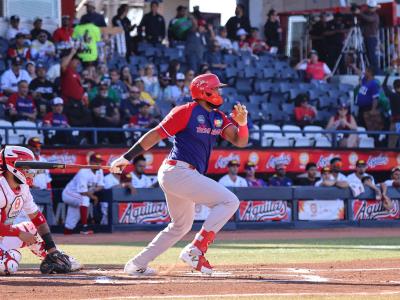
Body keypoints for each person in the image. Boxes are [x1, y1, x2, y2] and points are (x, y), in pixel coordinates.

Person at [109, 73, 248, 275]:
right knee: (229, 201)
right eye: (216, 88)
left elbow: (240, 141)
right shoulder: (185, 111)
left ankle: (136, 264)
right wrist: (127, 157)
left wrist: (242, 124)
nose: (219, 91)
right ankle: (196, 250)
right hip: (177, 170)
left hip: (183, 175)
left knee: (180, 226)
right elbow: (156, 134)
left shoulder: (219, 117)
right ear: (204, 90)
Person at [0, 145, 80, 275]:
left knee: (32, 228)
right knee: (9, 266)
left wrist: (52, 248)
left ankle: (55, 258)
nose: (30, 171)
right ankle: (9, 256)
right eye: (26, 167)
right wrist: (18, 233)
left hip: (4, 237)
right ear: (12, 166)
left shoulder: (23, 188)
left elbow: (37, 218)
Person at [62, 153, 105, 234]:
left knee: (71, 223)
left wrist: (93, 191)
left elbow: (101, 185)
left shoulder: (100, 171)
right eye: (96, 162)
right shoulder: (84, 172)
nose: (99, 164)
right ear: (91, 162)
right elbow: (82, 192)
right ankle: (84, 227)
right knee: (84, 199)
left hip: (78, 196)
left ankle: (67, 234)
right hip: (69, 194)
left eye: (100, 162)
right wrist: (93, 197)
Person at [354, 0, 380, 73]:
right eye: (369, 7)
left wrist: (360, 13)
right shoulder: (367, 14)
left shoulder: (375, 16)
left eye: (371, 7)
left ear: (374, 8)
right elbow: (363, 20)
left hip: (371, 37)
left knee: (372, 56)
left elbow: (369, 19)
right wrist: (358, 14)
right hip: (366, 37)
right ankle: (371, 71)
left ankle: (376, 72)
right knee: (368, 56)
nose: (370, 8)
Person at [382, 71, 400, 148]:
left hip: (395, 123)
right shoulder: (393, 95)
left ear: (394, 87)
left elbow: (384, 86)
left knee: (391, 145)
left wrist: (387, 74)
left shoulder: (392, 95)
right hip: (396, 122)